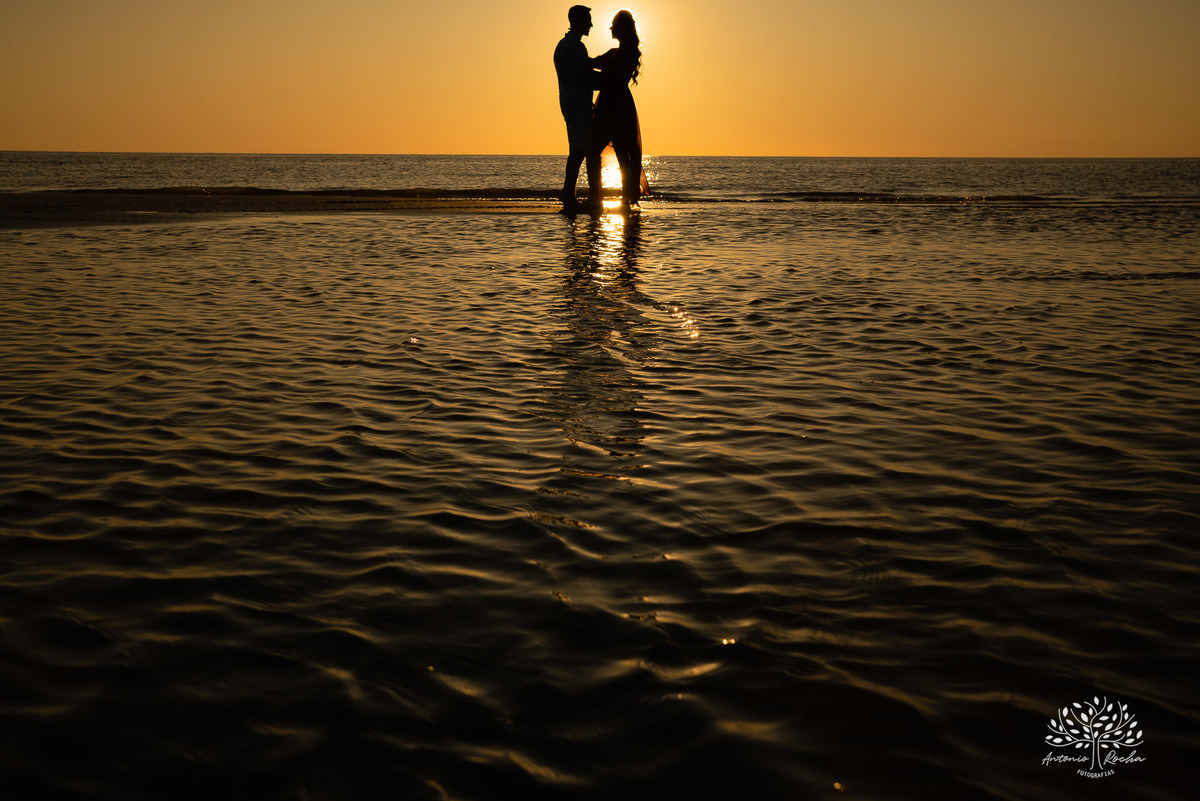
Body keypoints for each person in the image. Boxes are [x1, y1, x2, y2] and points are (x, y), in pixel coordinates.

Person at [589, 9, 648, 210]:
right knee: (621, 153)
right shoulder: (621, 52)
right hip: (616, 103)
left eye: (613, 25)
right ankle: (620, 197)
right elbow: (596, 63)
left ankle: (603, 197)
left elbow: (601, 68)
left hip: (616, 105)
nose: (610, 28)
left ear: (621, 29)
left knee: (614, 152)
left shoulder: (623, 53)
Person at [554, 6, 600, 211]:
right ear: (578, 20)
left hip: (569, 103)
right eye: (588, 19)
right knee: (579, 150)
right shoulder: (575, 47)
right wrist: (610, 80)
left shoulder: (563, 45)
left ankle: (569, 193)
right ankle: (568, 194)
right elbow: (585, 77)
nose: (591, 24)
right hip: (578, 104)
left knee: (578, 149)